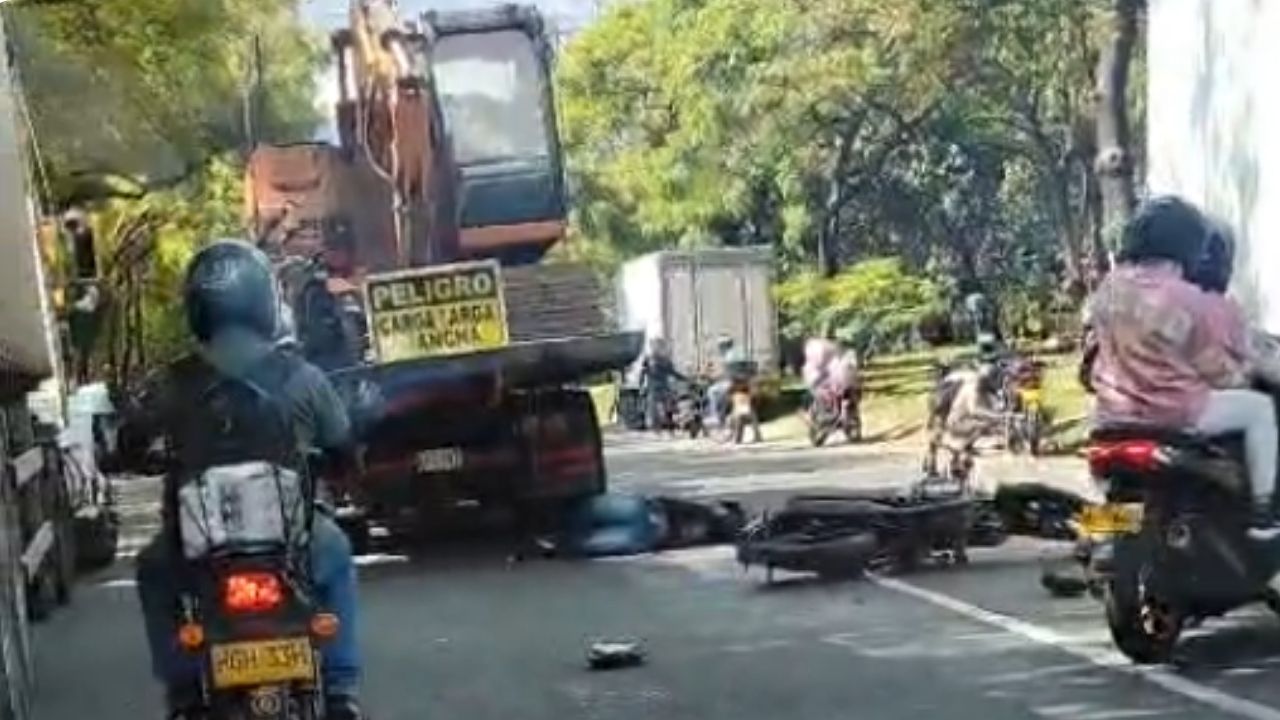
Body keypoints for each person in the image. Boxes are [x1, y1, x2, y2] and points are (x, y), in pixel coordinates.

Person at [122, 240, 365, 720]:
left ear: (197, 305)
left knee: (152, 569)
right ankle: (338, 690)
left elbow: (130, 442)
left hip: (196, 553)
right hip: (292, 547)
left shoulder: (173, 383)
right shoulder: (302, 376)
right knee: (335, 556)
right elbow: (342, 445)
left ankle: (186, 692)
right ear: (263, 301)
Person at [1088, 197, 1278, 527]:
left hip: (1111, 417)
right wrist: (1242, 376)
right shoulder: (1186, 299)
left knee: (1112, 504)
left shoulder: (1108, 287)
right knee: (1259, 410)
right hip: (1176, 414)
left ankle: (1095, 530)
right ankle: (1263, 512)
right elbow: (1217, 369)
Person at [638, 336, 685, 432]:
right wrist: (641, 385)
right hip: (653, 387)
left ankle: (670, 427)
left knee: (669, 407)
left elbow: (673, 372)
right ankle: (656, 428)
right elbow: (643, 372)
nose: (656, 348)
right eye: (654, 345)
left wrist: (685, 378)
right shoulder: (648, 359)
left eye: (658, 345)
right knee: (653, 408)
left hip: (664, 386)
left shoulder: (665, 360)